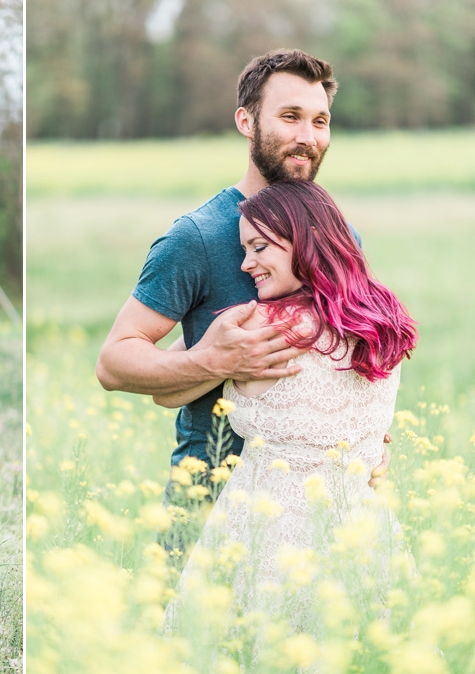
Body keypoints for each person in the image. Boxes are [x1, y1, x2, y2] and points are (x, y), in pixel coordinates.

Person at [95, 49, 389, 504]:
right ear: (246, 122)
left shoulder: (340, 235)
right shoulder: (197, 236)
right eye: (290, 116)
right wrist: (214, 362)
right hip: (212, 499)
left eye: (319, 121)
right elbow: (113, 362)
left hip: (327, 507)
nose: (307, 137)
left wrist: (372, 437)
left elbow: (356, 353)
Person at [163, 180, 416, 639]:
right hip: (362, 533)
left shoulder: (257, 325)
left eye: (259, 247)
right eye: (243, 249)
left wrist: (214, 345)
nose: (245, 264)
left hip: (265, 538)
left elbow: (168, 391)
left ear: (304, 239)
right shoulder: (382, 319)